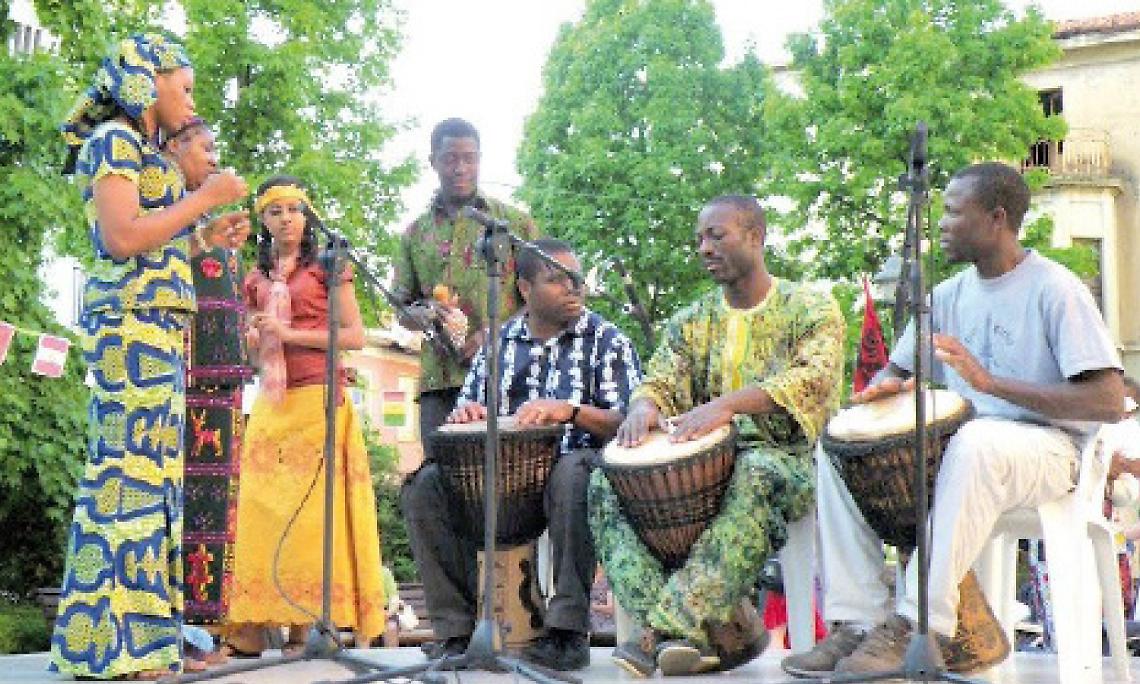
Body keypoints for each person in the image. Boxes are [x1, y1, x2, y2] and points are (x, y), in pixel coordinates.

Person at [782, 162, 1125, 677]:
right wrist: (885, 394)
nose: (940, 224)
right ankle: (856, 622)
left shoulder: (1057, 289)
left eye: (952, 212)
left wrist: (991, 385)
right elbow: (890, 376)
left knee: (978, 440)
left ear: (996, 219)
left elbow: (1108, 400)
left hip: (1051, 451)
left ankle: (917, 626)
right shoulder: (944, 298)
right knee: (839, 444)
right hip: (966, 451)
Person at [50, 33, 248, 680]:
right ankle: (105, 650)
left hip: (155, 330)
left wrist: (203, 234)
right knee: (123, 487)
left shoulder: (135, 146)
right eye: (184, 87)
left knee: (152, 489)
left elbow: (152, 250)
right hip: (128, 334)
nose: (189, 102)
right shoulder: (114, 141)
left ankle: (140, 649)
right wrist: (204, 200)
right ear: (147, 81)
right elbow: (120, 237)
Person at [589, 195, 846, 677]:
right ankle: (686, 636)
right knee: (606, 483)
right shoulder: (691, 320)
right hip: (705, 463)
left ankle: (661, 631)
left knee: (754, 471)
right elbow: (660, 380)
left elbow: (812, 377)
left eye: (716, 235)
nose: (704, 248)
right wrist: (643, 407)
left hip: (786, 458)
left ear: (755, 236)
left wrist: (726, 405)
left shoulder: (811, 306)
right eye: (700, 239)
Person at [401, 238, 642, 670]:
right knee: (424, 486)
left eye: (576, 279)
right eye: (557, 280)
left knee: (574, 472)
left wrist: (570, 412)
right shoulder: (499, 344)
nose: (573, 288)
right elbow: (466, 408)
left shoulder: (607, 340)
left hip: (577, 484)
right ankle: (457, 634)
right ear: (525, 289)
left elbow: (629, 421)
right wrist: (468, 413)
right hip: (503, 486)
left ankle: (567, 631)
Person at [222, 176, 386, 653]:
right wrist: (256, 342)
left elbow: (353, 336)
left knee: (314, 520)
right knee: (258, 510)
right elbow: (257, 357)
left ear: (308, 215)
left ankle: (308, 625)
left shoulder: (329, 267)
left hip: (318, 398)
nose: (287, 218)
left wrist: (289, 335)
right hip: (272, 400)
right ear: (263, 221)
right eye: (275, 212)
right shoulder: (255, 278)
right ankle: (252, 623)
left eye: (295, 209)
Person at [392, 117, 539, 470]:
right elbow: (401, 308)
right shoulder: (414, 233)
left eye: (469, 158)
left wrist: (496, 334)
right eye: (450, 158)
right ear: (433, 162)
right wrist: (426, 312)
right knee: (441, 478)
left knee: (510, 475)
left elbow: (540, 296)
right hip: (440, 381)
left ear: (480, 159)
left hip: (506, 374)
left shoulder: (514, 224)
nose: (460, 167)